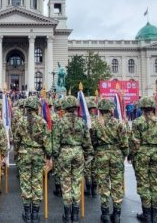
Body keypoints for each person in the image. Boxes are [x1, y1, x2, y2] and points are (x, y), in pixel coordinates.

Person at [130, 96, 157, 223]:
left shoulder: (137, 122)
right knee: (155, 184)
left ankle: (146, 215)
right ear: (153, 107)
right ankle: (154, 215)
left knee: (143, 184)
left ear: (141, 107)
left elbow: (134, 141)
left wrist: (131, 154)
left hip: (142, 154)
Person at [53, 95, 93, 223]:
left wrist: (55, 155)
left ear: (64, 107)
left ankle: (67, 213)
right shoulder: (81, 122)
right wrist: (87, 155)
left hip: (64, 153)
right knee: (76, 182)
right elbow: (87, 142)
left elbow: (55, 142)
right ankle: (75, 214)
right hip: (78, 152)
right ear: (75, 107)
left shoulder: (60, 122)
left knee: (66, 182)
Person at [14, 96, 52, 223]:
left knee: (25, 183)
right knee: (37, 182)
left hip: (24, 154)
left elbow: (16, 140)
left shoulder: (20, 121)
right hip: (37, 154)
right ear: (36, 107)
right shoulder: (42, 122)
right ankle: (35, 214)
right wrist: (48, 156)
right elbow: (47, 142)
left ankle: (27, 213)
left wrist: (16, 153)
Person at [90, 98, 128, 223]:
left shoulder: (95, 124)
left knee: (103, 184)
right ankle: (117, 215)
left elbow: (93, 142)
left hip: (101, 155)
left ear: (100, 110)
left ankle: (105, 214)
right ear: (111, 110)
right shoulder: (119, 123)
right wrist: (124, 155)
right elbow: (124, 143)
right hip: (116, 155)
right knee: (117, 184)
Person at [84, 97, 98, 198]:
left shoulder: (85, 120)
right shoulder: (98, 120)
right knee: (95, 169)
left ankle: (88, 190)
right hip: (96, 148)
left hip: (87, 148)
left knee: (87, 169)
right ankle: (94, 190)